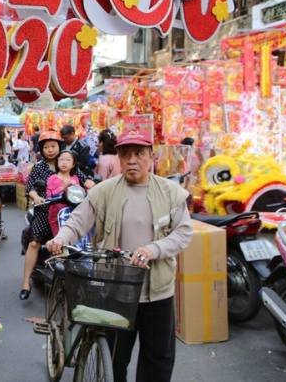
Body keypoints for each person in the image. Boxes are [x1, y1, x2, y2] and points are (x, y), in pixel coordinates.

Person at [47, 130, 193, 382]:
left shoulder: (171, 192)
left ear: (151, 156)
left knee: (157, 358)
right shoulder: (104, 191)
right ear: (118, 158)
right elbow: (78, 221)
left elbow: (183, 233)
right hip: (116, 289)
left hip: (157, 290)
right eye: (125, 154)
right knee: (115, 357)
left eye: (139, 153)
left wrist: (153, 249)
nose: (132, 160)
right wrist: (61, 238)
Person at [21, 130, 64, 300]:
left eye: (53, 146)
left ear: (59, 147)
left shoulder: (68, 163)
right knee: (34, 243)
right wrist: (36, 197)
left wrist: (95, 186)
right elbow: (30, 187)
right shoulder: (39, 167)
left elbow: (83, 179)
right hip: (44, 211)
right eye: (46, 147)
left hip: (64, 212)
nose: (50, 150)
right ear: (42, 149)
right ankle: (25, 282)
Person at [45, 151, 84, 238]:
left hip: (72, 215)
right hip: (56, 216)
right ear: (57, 162)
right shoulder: (52, 178)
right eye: (61, 159)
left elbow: (79, 195)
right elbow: (49, 195)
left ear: (73, 164)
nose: (64, 162)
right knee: (60, 241)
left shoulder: (75, 178)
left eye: (68, 160)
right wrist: (62, 187)